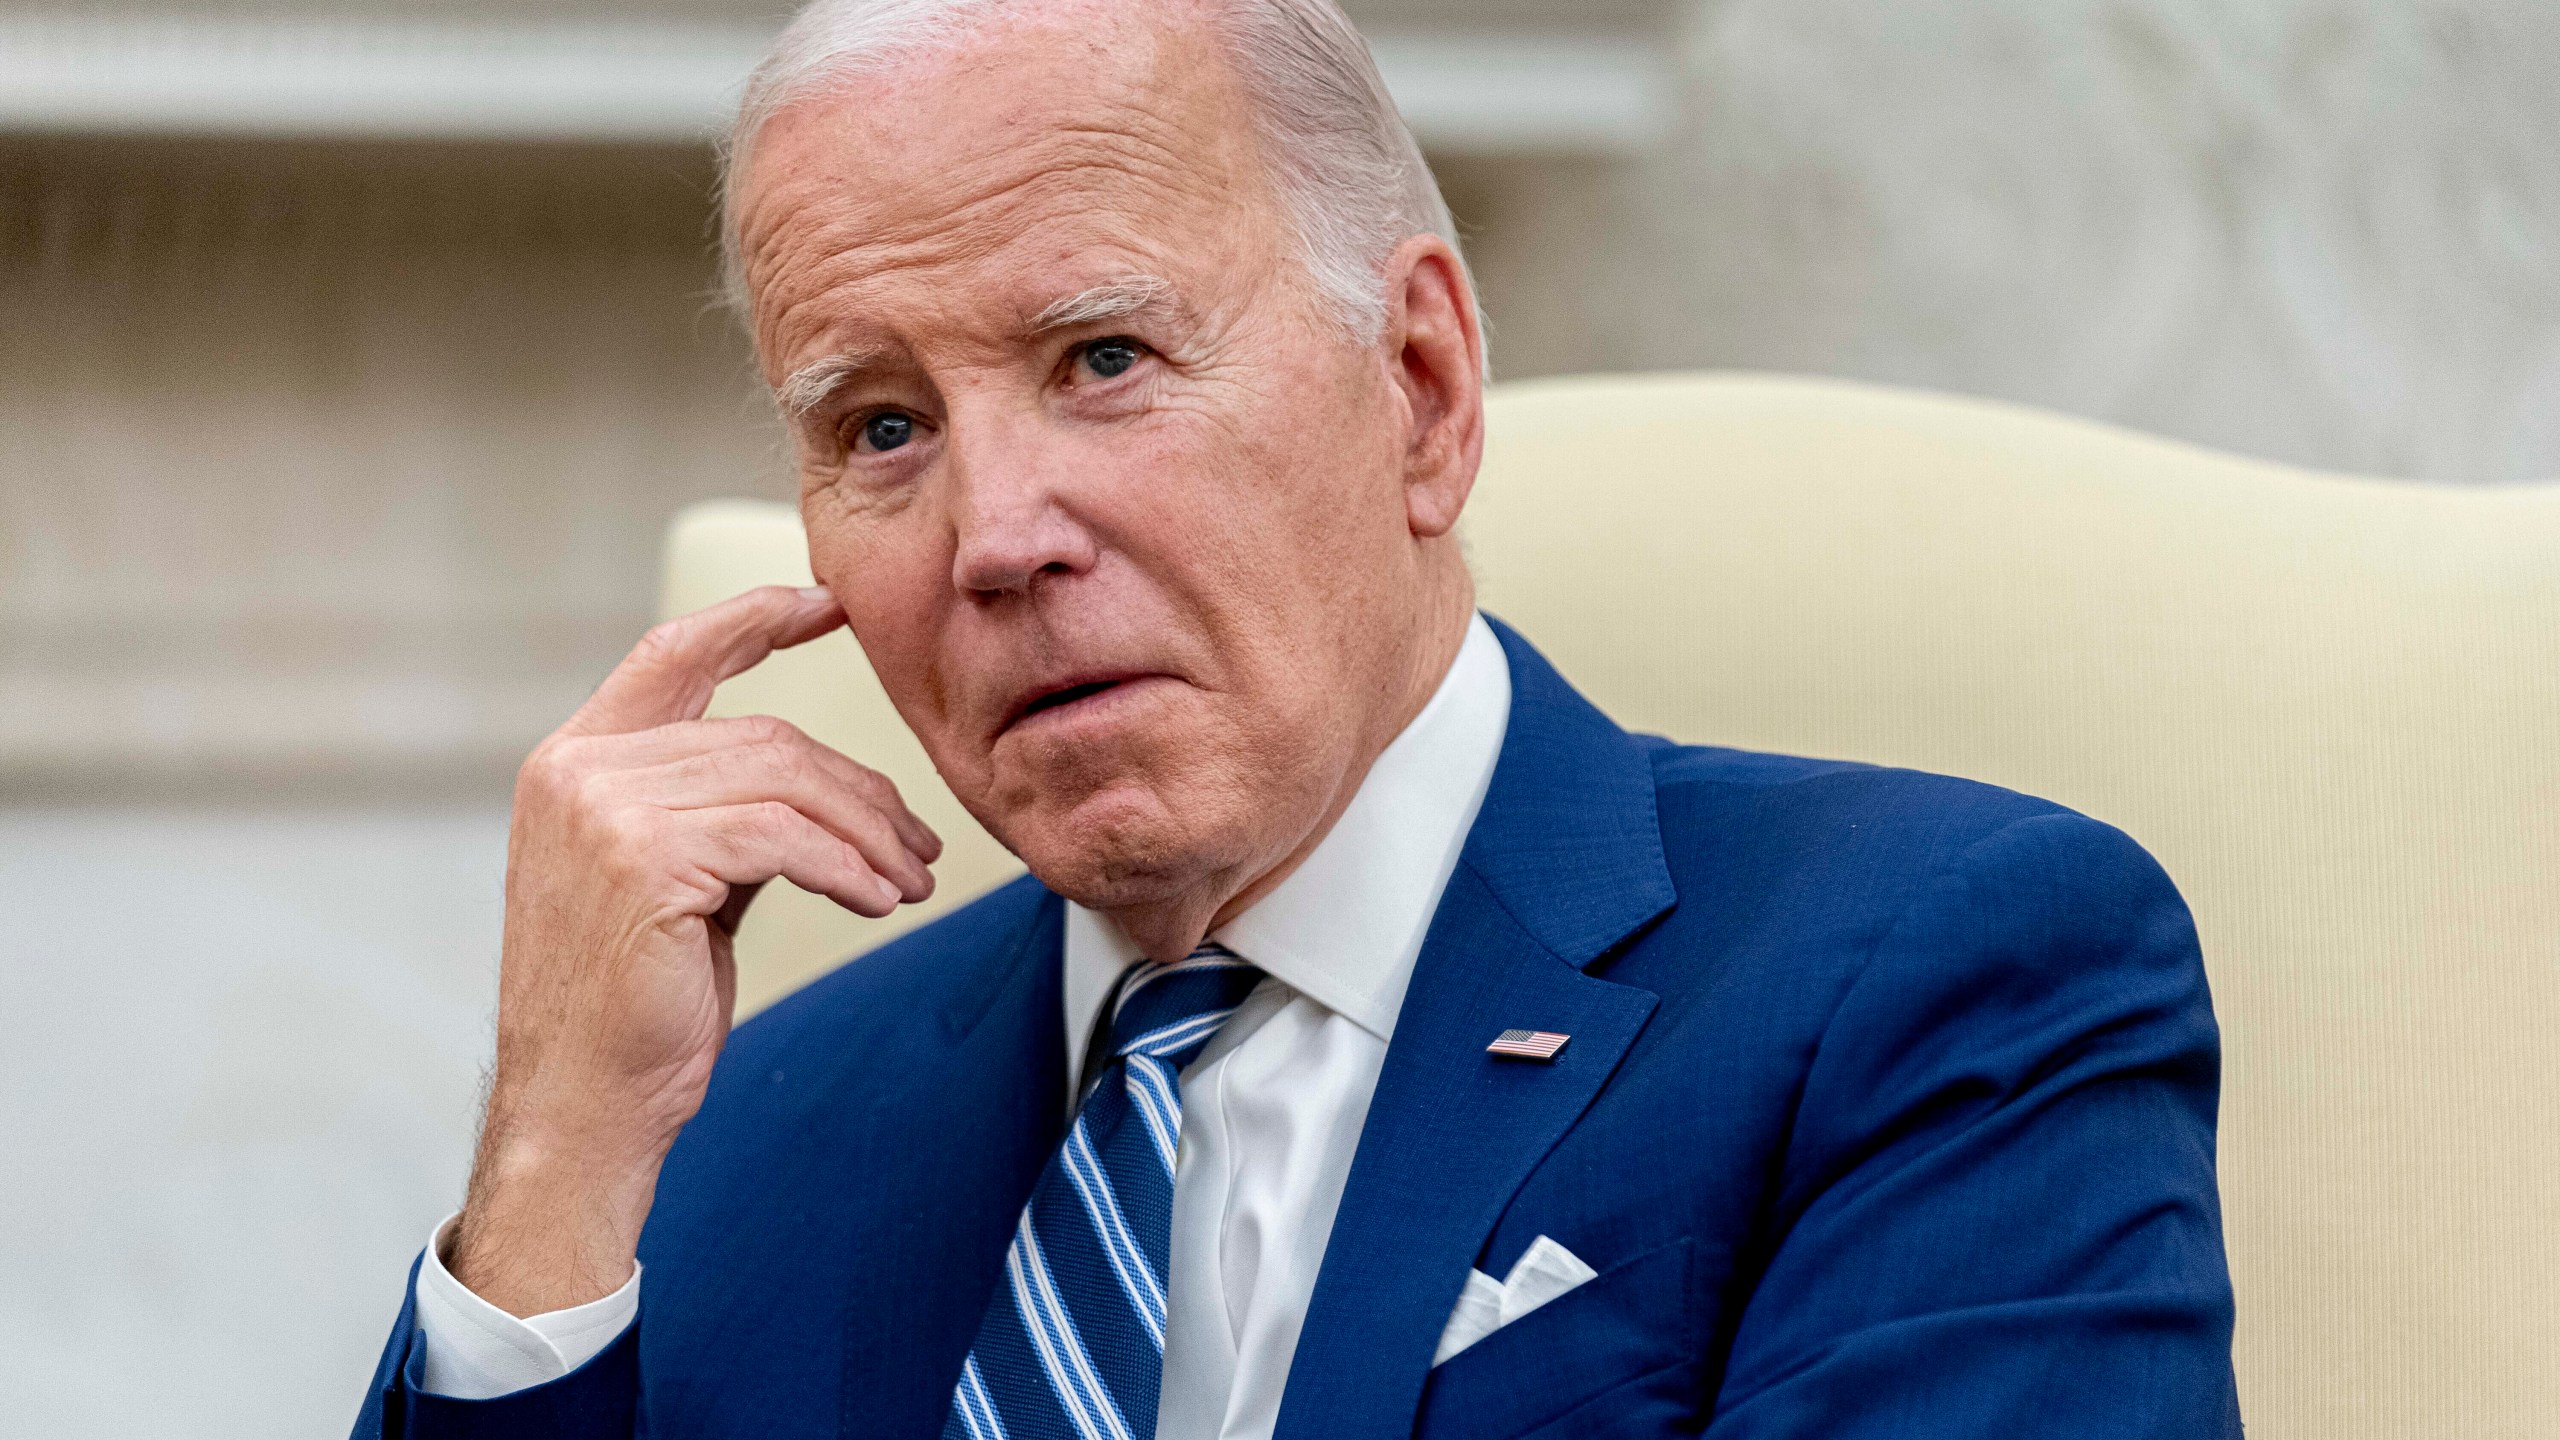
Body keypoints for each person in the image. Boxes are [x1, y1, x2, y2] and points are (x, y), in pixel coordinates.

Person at [353, 1, 2240, 1435]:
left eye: (1104, 358)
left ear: (1418, 389)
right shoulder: (735, 1137)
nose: (995, 539)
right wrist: (550, 1162)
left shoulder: (1940, 975)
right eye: (880, 427)